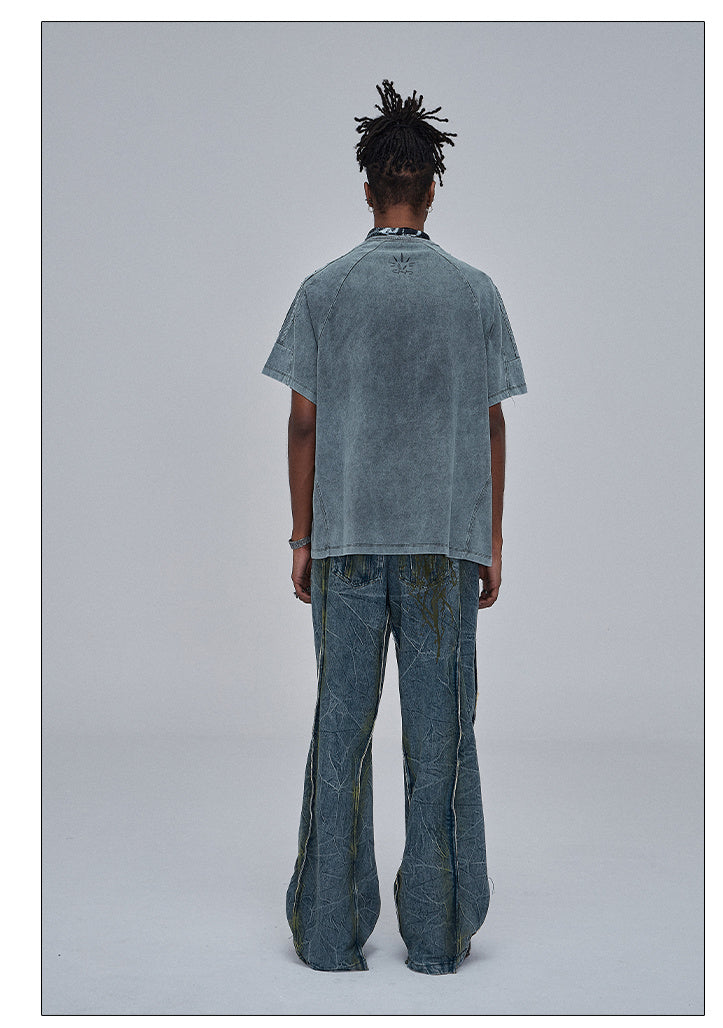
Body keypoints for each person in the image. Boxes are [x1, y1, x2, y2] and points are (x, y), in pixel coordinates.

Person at [261, 79, 527, 975]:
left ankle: (329, 935)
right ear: (432, 188)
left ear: (369, 188)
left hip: (343, 543)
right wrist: (491, 541)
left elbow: (303, 423)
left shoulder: (325, 289)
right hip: (442, 547)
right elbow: (491, 423)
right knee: (440, 739)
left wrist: (302, 537)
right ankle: (438, 939)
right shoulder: (474, 293)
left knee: (340, 734)